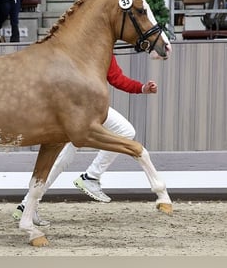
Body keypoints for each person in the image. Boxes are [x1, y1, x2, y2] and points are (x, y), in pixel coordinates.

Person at [12, 54, 159, 226]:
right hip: (75, 110)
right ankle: (88, 178)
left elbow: (116, 78)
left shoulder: (103, 50)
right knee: (63, 157)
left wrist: (141, 88)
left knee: (65, 156)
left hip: (85, 108)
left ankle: (29, 204)